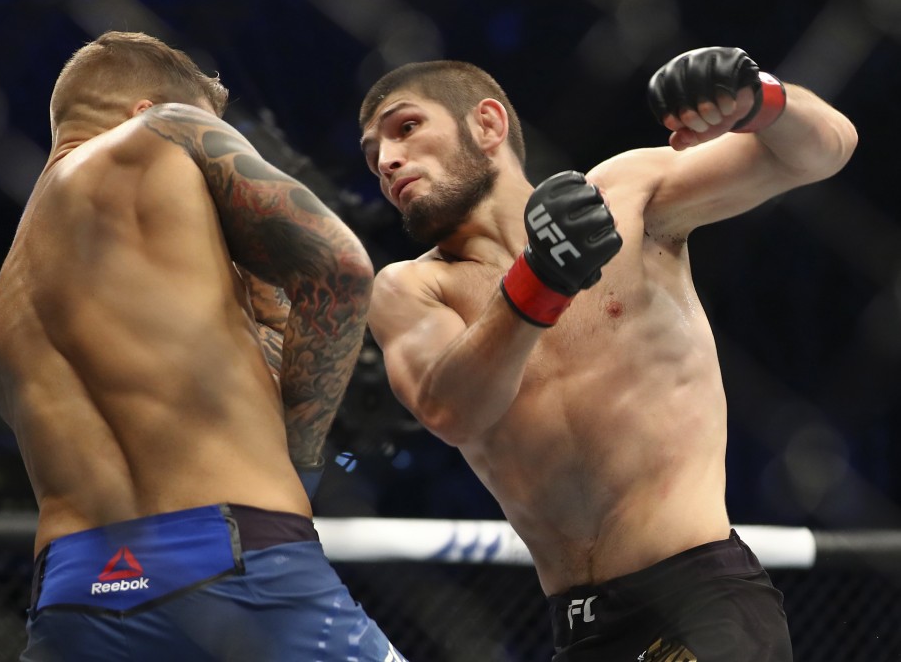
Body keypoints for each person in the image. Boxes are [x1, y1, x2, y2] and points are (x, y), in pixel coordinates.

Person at [358, 46, 857, 661]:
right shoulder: (411, 288)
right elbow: (453, 411)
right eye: (373, 153)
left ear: (487, 124)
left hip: (701, 599)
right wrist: (538, 280)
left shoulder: (625, 196)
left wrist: (764, 100)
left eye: (406, 128)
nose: (387, 160)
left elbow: (824, 150)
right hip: (578, 629)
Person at [0, 31, 407, 662]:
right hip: (239, 566)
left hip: (73, 599)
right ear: (144, 109)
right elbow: (339, 269)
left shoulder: (3, 304)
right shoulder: (168, 131)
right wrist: (304, 459)